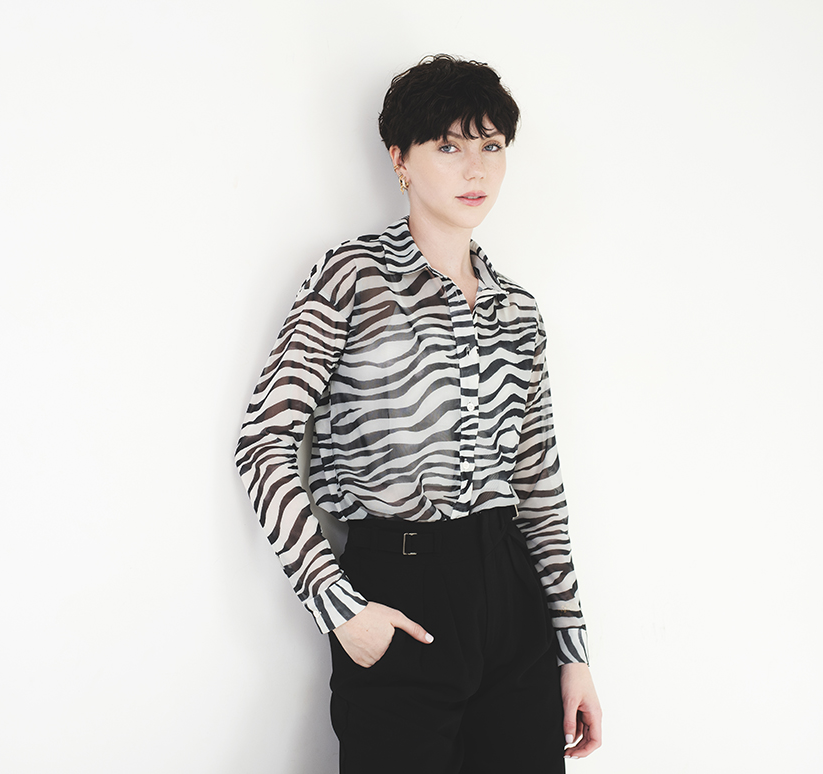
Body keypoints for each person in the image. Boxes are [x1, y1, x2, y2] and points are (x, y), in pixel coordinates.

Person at [235, 54, 601, 773]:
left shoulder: (518, 311)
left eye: (491, 145)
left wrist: (572, 650)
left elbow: (539, 489)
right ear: (400, 160)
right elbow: (264, 444)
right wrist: (339, 606)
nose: (476, 168)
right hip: (399, 591)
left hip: (513, 601)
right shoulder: (352, 277)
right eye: (449, 146)